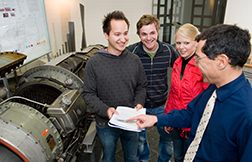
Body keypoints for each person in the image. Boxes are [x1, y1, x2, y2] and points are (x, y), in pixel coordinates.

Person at [128, 24, 252, 162]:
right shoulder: (213, 89)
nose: (196, 64)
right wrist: (156, 119)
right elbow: (190, 114)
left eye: (199, 59)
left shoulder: (247, 113)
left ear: (221, 61)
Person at [82, 10, 147, 162]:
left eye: (125, 33)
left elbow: (141, 86)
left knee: (132, 157)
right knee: (109, 157)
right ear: (106, 35)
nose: (123, 39)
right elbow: (88, 93)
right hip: (106, 124)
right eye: (117, 34)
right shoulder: (94, 62)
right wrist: (106, 110)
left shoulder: (134, 60)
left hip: (131, 120)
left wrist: (139, 103)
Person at [127, 15, 178, 162]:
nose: (149, 38)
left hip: (162, 105)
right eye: (144, 34)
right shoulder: (133, 51)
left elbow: (181, 71)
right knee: (140, 140)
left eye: (152, 33)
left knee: (167, 139)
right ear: (139, 35)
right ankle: (144, 159)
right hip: (139, 106)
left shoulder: (168, 51)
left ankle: (164, 160)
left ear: (158, 32)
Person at [164, 23, 209, 162]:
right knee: (177, 156)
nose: (181, 47)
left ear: (196, 43)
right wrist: (168, 117)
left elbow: (208, 98)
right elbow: (173, 93)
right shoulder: (177, 63)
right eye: (178, 43)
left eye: (186, 43)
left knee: (191, 157)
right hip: (178, 120)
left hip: (194, 122)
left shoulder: (202, 65)